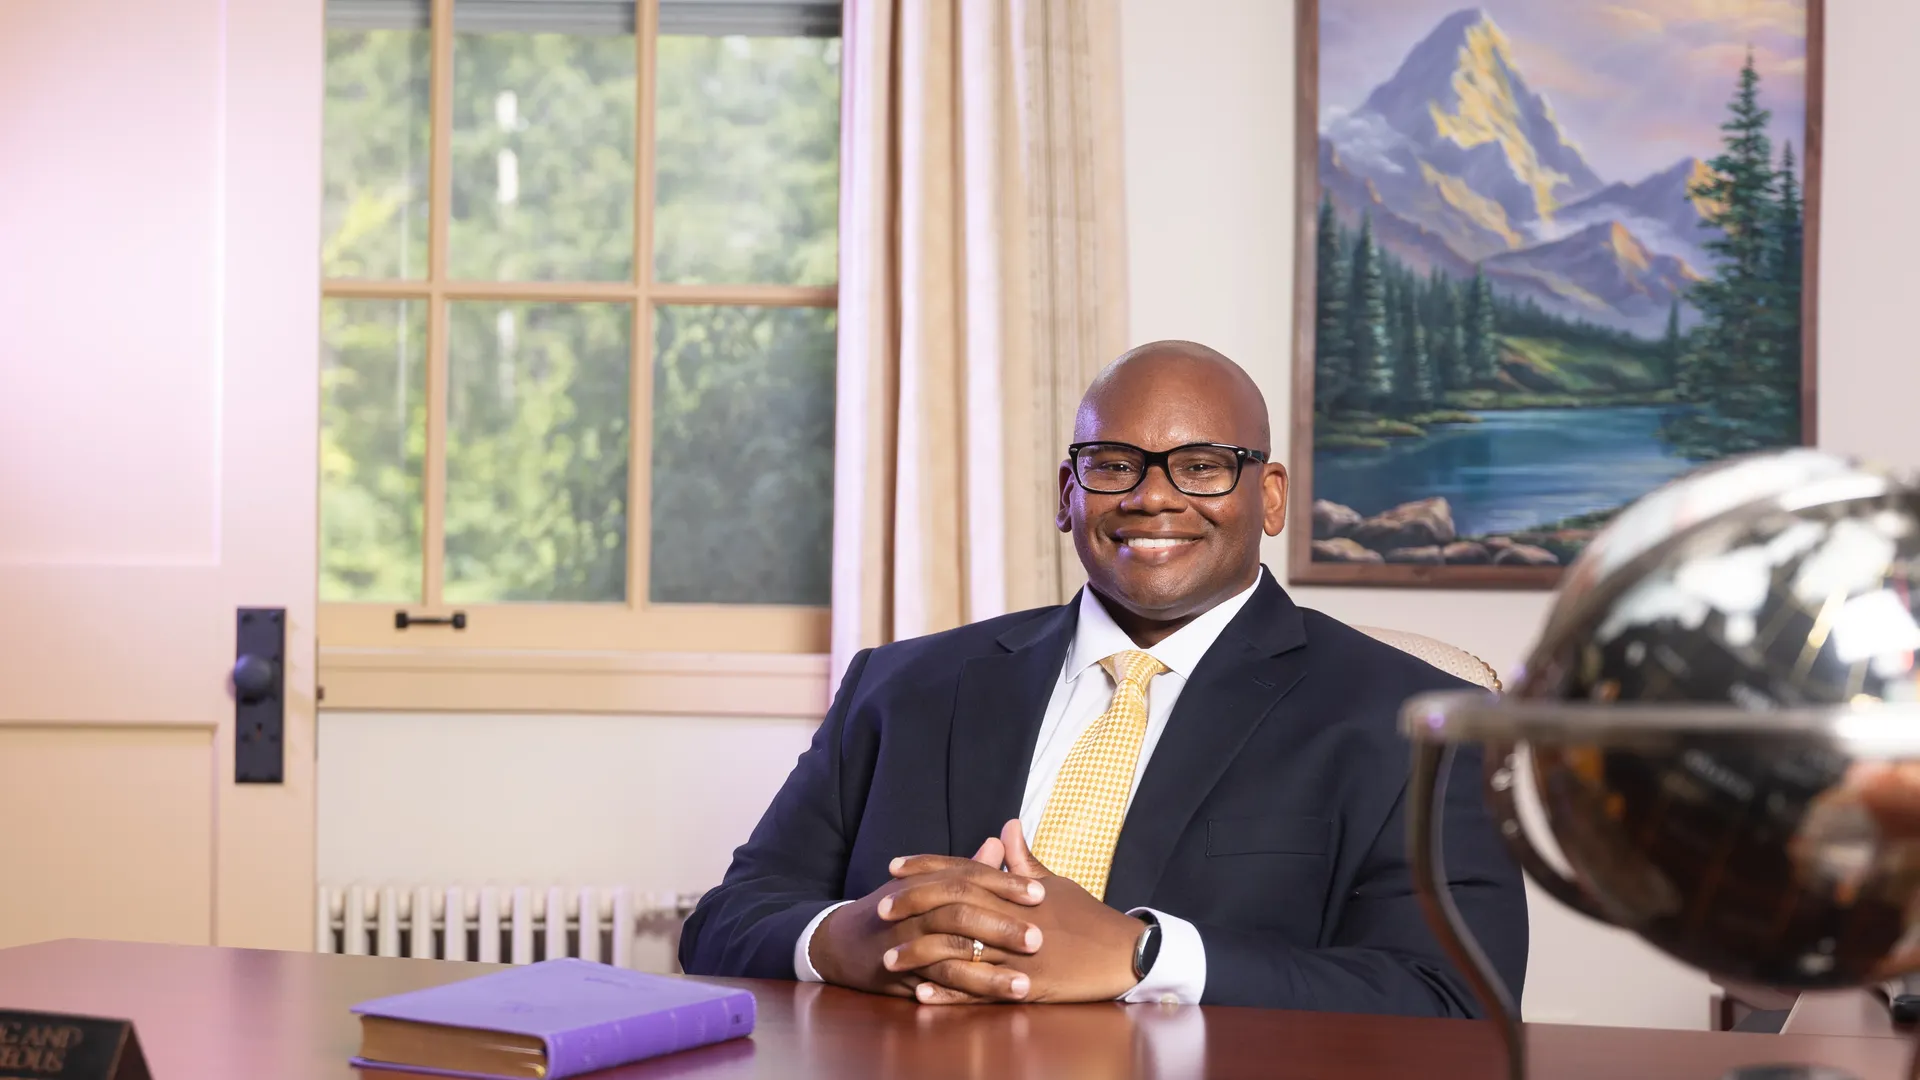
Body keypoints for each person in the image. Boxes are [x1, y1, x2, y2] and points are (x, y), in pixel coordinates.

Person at [679, 340, 1528, 1011]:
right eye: (1115, 464)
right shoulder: (900, 687)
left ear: (1268, 496)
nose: (1153, 497)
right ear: (1067, 495)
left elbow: (1458, 1000)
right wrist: (848, 939)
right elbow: (725, 922)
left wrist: (1144, 955)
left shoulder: (1420, 723)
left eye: (1201, 465)